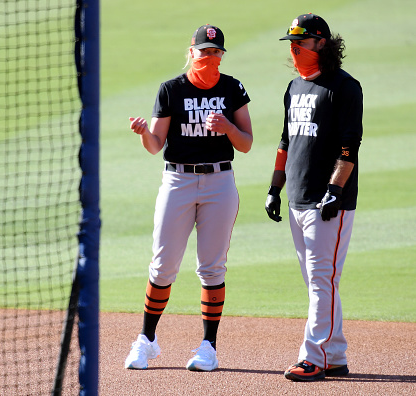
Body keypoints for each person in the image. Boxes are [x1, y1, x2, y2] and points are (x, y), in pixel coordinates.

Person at [124, 24, 252, 371]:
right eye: (204, 51)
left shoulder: (232, 88)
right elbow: (155, 145)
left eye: (216, 52)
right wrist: (143, 133)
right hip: (177, 180)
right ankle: (146, 340)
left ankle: (208, 347)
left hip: (219, 181)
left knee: (212, 267)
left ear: (221, 55)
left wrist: (227, 128)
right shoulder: (172, 90)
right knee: (163, 265)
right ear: (191, 52)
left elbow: (246, 142)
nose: (210, 57)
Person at [265, 13, 363, 381]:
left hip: (329, 202)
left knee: (322, 277)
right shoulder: (294, 88)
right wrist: (275, 188)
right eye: (291, 43)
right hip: (296, 198)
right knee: (317, 280)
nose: (294, 49)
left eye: (301, 42)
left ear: (322, 43)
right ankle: (334, 354)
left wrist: (335, 191)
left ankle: (314, 357)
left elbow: (349, 147)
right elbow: (285, 141)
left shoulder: (344, 87)